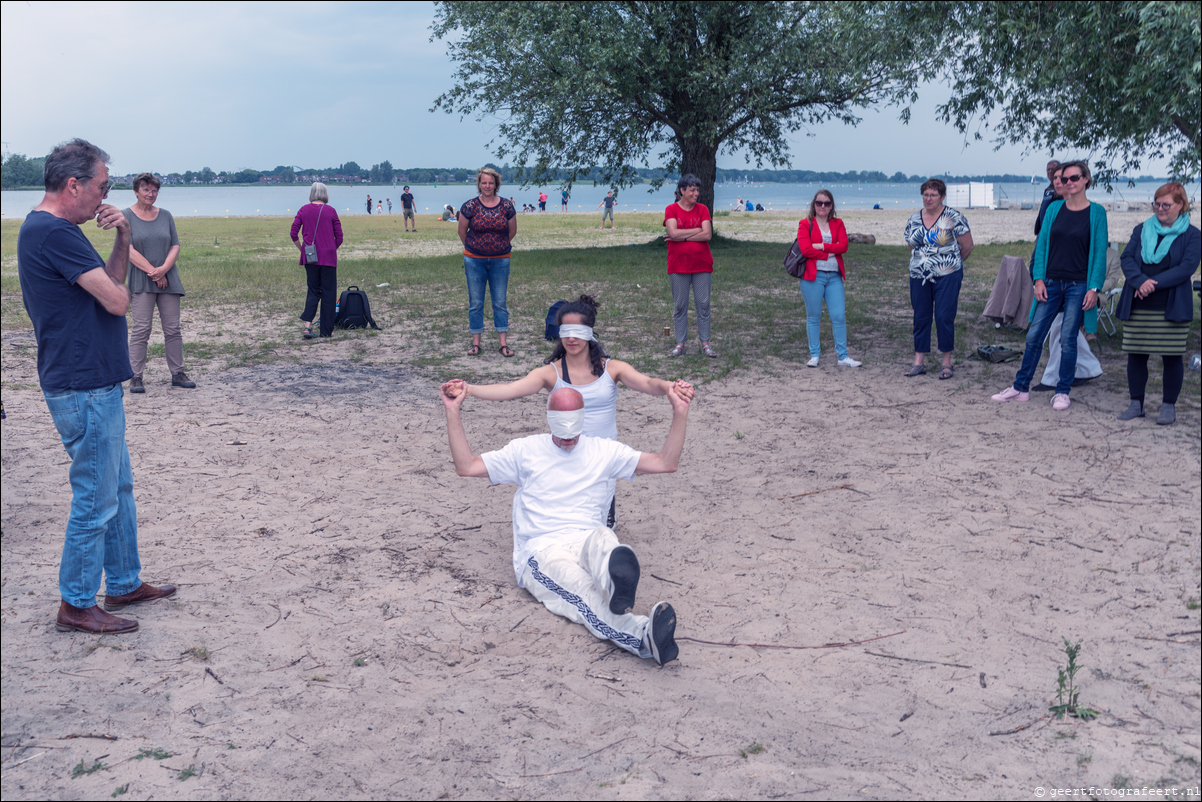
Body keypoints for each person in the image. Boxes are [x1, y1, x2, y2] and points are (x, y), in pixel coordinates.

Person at [17, 138, 176, 635]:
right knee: (96, 495)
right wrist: (121, 272)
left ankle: (124, 581)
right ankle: (77, 601)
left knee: (118, 487)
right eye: (103, 187)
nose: (105, 197)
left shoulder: (54, 228)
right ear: (73, 184)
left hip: (91, 380)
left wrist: (124, 235)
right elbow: (117, 302)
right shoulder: (54, 232)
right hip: (82, 384)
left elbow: (110, 283)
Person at [439, 381, 690, 666]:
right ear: (549, 421)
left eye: (573, 432)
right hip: (544, 550)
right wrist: (452, 411)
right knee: (583, 594)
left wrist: (679, 411)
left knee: (603, 539)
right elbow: (467, 466)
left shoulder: (603, 451)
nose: (568, 440)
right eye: (562, 433)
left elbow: (665, 463)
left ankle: (614, 582)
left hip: (586, 536)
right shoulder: (525, 450)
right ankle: (644, 635)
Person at [455, 294, 696, 527]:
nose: (571, 339)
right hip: (566, 457)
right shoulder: (551, 373)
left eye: (578, 332)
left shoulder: (613, 369)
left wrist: (668, 387)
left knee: (599, 524)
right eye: (565, 332)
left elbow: (647, 383)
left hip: (601, 462)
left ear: (590, 333)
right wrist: (470, 389)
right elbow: (511, 389)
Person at [992, 160, 1108, 410]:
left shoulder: (1097, 212)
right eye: (1064, 179)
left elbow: (1099, 253)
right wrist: (1038, 280)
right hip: (1051, 283)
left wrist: (1094, 288)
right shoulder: (1054, 209)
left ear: (1086, 179)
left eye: (1074, 178)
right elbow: (1042, 246)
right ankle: (1020, 387)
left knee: (1068, 338)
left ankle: (1063, 391)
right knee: (1034, 336)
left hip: (1079, 285)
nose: (1068, 183)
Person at [1114, 182, 1200, 426]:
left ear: (1180, 205)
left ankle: (1168, 407)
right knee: (1136, 355)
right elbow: (1127, 257)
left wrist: (1152, 283)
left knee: (1171, 357)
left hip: (1171, 306)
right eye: (1157, 204)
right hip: (1138, 303)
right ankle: (1136, 404)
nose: (1160, 209)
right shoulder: (1141, 229)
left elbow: (1186, 268)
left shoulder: (1192, 235)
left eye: (1166, 205)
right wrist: (1140, 281)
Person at [122, 172, 194, 393]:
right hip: (141, 280)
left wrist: (164, 269)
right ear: (136, 191)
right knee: (141, 328)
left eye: (154, 190)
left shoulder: (165, 215)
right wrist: (154, 272)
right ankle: (135, 376)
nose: (150, 194)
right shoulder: (126, 216)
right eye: (146, 190)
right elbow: (127, 249)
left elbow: (175, 245)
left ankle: (178, 373)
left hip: (168, 279)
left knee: (172, 328)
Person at [903, 178, 974, 379]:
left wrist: (951, 265)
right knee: (920, 316)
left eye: (933, 194)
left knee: (943, 316)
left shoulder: (953, 217)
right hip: (919, 276)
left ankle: (946, 362)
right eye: (925, 194)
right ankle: (919, 362)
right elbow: (912, 245)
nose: (929, 198)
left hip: (948, 275)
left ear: (942, 196)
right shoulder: (914, 218)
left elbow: (968, 246)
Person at [797, 190, 861, 368]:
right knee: (813, 316)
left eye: (826, 203)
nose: (823, 206)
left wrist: (821, 246)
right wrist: (828, 254)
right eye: (819, 203)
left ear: (832, 205)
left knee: (839, 316)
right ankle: (814, 354)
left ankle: (843, 356)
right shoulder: (805, 224)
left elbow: (844, 246)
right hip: (812, 277)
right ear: (814, 204)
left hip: (834, 277)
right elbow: (805, 250)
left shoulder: (838, 223)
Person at [459, 167, 517, 356]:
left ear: (496, 184)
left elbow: (512, 232)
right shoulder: (469, 206)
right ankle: (476, 344)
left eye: (491, 183)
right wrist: (475, 248)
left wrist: (498, 247)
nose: (487, 186)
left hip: (501, 260)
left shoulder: (507, 206)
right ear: (479, 184)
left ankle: (503, 344)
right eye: (484, 182)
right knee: (476, 302)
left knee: (499, 302)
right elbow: (462, 232)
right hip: (474, 260)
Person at [664, 174, 716, 358]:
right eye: (692, 190)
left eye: (697, 190)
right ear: (682, 191)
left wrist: (683, 236)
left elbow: (707, 235)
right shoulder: (671, 209)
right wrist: (697, 231)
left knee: (703, 304)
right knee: (680, 305)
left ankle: (705, 344)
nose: (696, 193)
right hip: (678, 265)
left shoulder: (703, 209)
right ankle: (680, 344)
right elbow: (672, 232)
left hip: (702, 264)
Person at [291, 182, 345, 339]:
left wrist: (302, 250)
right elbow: (339, 237)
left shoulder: (303, 210)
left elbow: (293, 233)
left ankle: (307, 326)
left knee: (313, 291)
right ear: (325, 194)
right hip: (328, 258)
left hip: (310, 257)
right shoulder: (331, 211)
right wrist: (330, 249)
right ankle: (326, 331)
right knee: (328, 293)